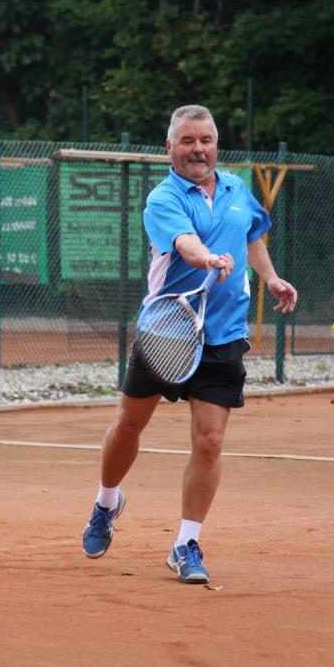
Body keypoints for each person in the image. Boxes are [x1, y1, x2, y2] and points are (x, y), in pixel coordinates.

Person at [82, 104, 297, 583]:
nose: (197, 149)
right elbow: (184, 243)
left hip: (224, 335)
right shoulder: (163, 198)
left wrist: (270, 277)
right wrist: (207, 259)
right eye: (187, 141)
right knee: (127, 426)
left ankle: (185, 543)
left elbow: (252, 236)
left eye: (205, 140)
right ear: (170, 147)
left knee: (211, 441)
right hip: (167, 332)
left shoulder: (237, 189)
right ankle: (107, 501)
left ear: (216, 145)